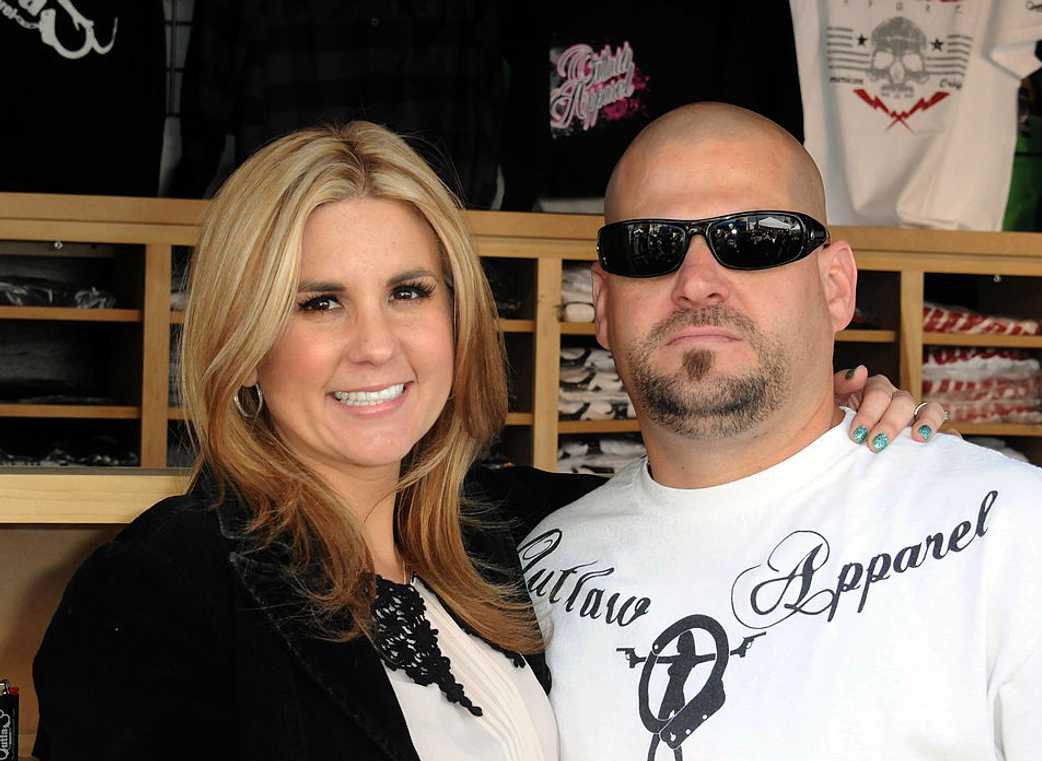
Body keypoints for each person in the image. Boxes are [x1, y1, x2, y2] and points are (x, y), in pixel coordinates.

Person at [32, 121, 941, 760]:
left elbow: (708, 489)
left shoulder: (511, 530)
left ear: (458, 317)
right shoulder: (163, 587)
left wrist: (839, 427)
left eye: (408, 291)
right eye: (318, 302)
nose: (376, 343)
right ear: (244, 345)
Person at [520, 102, 1042, 760]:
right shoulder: (533, 575)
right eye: (649, 245)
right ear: (603, 304)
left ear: (836, 285)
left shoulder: (1018, 537)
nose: (696, 282)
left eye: (755, 237)